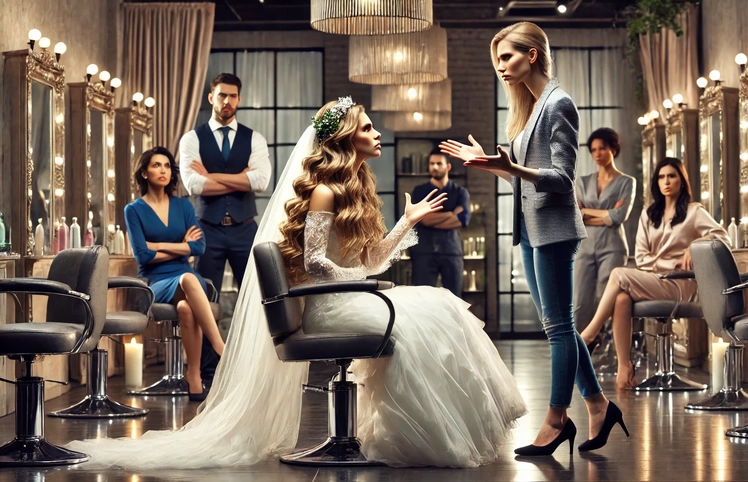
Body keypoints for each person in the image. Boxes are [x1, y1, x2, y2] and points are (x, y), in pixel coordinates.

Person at [65, 98, 527, 469]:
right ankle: (427, 437)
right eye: (366, 127)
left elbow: (372, 259)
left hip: (347, 294)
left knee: (441, 309)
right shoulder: (324, 191)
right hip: (325, 304)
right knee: (431, 317)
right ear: (346, 136)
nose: (376, 133)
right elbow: (317, 263)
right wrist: (363, 285)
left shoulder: (355, 187)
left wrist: (406, 222)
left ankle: (432, 434)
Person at [440, 21, 626, 455]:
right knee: (559, 327)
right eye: (497, 61)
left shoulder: (559, 104)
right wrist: (491, 166)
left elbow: (562, 181)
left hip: (556, 229)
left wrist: (512, 167)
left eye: (506, 57)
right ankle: (599, 405)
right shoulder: (532, 105)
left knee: (559, 329)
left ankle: (556, 420)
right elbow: (526, 182)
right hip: (532, 229)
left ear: (533, 55)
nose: (500, 67)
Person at [578, 157, 730, 390]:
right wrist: (665, 263)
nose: (666, 181)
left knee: (619, 273)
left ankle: (589, 334)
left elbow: (722, 237)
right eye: (661, 177)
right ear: (656, 182)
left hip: (680, 283)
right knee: (621, 298)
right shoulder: (649, 214)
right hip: (653, 280)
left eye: (672, 176)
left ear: (682, 180)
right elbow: (640, 257)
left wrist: (694, 246)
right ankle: (624, 365)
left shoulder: (694, 211)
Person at [180, 73, 272, 388]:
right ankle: (208, 373)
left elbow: (261, 182)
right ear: (211, 98)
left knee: (258, 298)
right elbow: (194, 185)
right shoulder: (192, 139)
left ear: (239, 99)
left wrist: (213, 176)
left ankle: (257, 368)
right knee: (205, 300)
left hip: (246, 229)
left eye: (233, 96)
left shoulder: (254, 138)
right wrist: (240, 176)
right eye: (222, 96)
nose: (227, 102)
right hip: (208, 230)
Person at [123, 147, 225, 401]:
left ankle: (193, 375)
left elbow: (199, 247)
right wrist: (181, 247)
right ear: (144, 173)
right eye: (156, 165)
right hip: (155, 280)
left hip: (184, 276)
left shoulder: (183, 206)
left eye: (167, 166)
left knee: (186, 308)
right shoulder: (133, 210)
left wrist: (157, 245)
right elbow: (143, 256)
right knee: (189, 278)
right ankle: (221, 348)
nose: (163, 171)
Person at [574, 128, 636, 347]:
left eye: (602, 148)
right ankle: (581, 348)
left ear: (613, 149)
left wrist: (589, 212)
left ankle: (608, 347)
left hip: (613, 247)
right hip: (585, 246)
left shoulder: (627, 182)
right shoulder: (581, 182)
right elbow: (576, 216)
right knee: (580, 300)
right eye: (593, 150)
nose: (598, 153)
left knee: (605, 297)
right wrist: (607, 213)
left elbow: (620, 217)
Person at [410, 148, 470, 297]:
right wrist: (451, 214)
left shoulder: (460, 192)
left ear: (448, 167)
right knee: (423, 299)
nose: (434, 167)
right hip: (424, 252)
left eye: (438, 163)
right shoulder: (419, 191)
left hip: (451, 251)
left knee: (455, 300)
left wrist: (432, 218)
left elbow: (463, 220)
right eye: (431, 164)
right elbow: (423, 219)